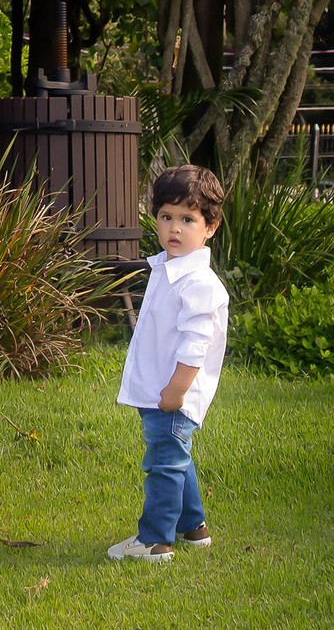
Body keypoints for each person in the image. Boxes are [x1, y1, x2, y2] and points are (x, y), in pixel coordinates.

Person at [108, 164, 229, 563]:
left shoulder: (199, 284)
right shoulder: (167, 267)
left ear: (210, 227)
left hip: (173, 393)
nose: (175, 229)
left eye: (187, 220)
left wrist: (175, 392)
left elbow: (196, 345)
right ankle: (194, 528)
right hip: (160, 388)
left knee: (163, 462)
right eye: (166, 217)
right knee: (176, 455)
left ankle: (155, 541)